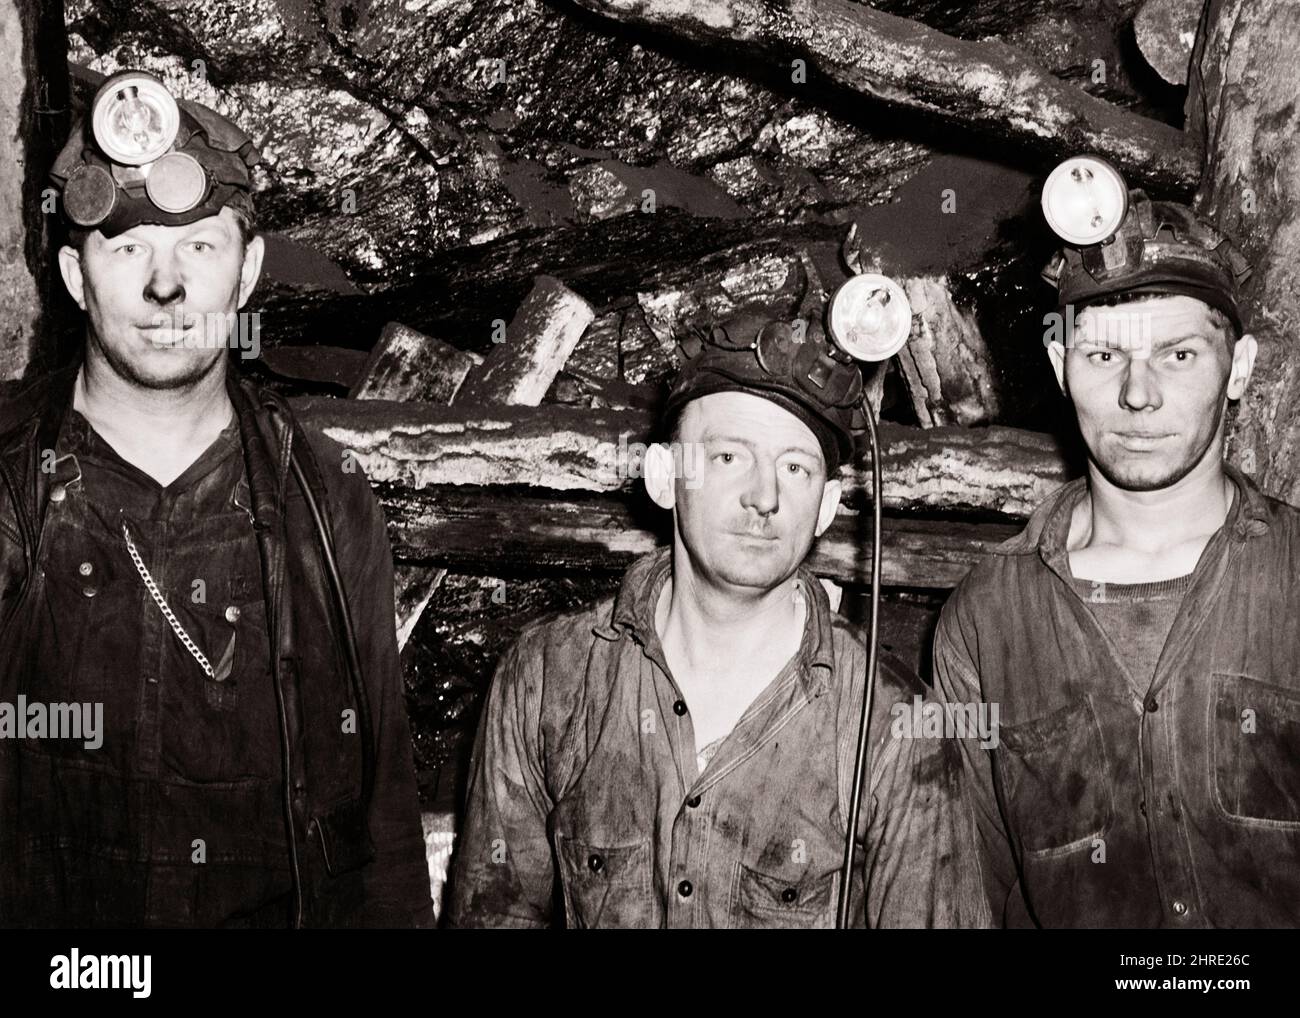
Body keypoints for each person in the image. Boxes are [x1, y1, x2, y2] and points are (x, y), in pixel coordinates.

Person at [0, 69, 431, 927]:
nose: (165, 288)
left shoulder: (326, 503)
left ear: (248, 272)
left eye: (199, 245)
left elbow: (381, 827)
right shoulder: (10, 487)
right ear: (75, 278)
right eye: (127, 250)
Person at [447, 307, 987, 927]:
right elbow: (495, 915)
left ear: (826, 506)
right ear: (663, 476)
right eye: (730, 457)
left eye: (795, 467)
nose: (765, 497)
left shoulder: (894, 726)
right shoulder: (550, 679)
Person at [934, 172, 1300, 927]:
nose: (1138, 396)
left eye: (1177, 355)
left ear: (1239, 368)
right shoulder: (985, 624)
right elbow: (967, 893)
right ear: (1060, 364)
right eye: (1103, 357)